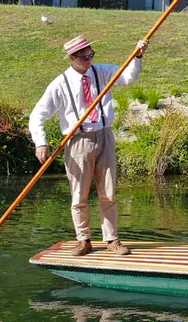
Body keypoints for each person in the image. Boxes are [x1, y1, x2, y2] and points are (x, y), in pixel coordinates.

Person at [29, 35, 147, 257]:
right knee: (79, 195)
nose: (89, 60)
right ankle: (83, 240)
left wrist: (138, 55)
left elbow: (129, 76)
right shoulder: (60, 83)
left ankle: (112, 239)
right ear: (72, 58)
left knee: (108, 192)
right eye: (84, 57)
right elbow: (37, 115)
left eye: (91, 55)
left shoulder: (101, 72)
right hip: (78, 141)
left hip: (104, 136)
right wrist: (41, 143)